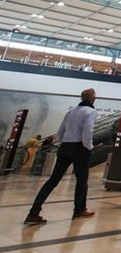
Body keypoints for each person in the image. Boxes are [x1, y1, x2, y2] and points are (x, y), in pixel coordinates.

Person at [25, 88, 98, 225]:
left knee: (52, 181)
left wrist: (66, 143)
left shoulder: (70, 112)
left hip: (65, 147)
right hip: (80, 149)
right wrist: (89, 147)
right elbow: (88, 131)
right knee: (82, 181)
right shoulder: (91, 112)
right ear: (93, 98)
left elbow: (60, 133)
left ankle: (33, 212)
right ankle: (79, 210)